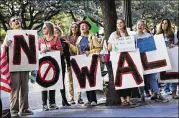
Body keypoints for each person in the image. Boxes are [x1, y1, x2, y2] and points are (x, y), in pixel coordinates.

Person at [2, 16, 34, 117]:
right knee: (15, 88)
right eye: (13, 20)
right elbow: (3, 49)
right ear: (10, 25)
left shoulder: (26, 34)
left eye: (18, 19)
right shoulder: (8, 35)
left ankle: (24, 109)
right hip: (14, 66)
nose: (16, 21)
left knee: (25, 87)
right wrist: (6, 45)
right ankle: (14, 110)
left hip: (24, 65)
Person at [64, 20, 101, 106]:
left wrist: (90, 51)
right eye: (81, 26)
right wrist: (69, 44)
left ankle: (94, 100)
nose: (82, 27)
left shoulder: (92, 37)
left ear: (88, 27)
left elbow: (98, 48)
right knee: (85, 81)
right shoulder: (79, 38)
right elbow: (76, 50)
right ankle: (88, 100)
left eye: (84, 25)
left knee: (91, 80)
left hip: (91, 62)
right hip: (82, 61)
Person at [134, 20, 168, 102]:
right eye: (139, 24)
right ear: (136, 26)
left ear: (144, 26)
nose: (140, 26)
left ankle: (158, 94)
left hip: (149, 60)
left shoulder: (148, 35)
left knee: (152, 77)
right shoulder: (133, 36)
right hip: (139, 59)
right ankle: (142, 95)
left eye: (142, 25)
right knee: (140, 78)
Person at [107, 18, 133, 106]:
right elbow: (109, 48)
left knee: (128, 78)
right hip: (117, 60)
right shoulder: (113, 34)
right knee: (119, 79)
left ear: (124, 24)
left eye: (121, 22)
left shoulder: (129, 34)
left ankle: (128, 98)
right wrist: (115, 41)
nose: (119, 24)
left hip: (128, 59)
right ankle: (122, 99)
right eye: (117, 23)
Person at [38, 21, 61, 111]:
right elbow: (37, 51)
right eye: (43, 28)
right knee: (43, 84)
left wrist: (50, 50)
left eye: (45, 27)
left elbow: (60, 51)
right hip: (43, 66)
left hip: (53, 65)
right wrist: (41, 51)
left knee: (52, 83)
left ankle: (52, 103)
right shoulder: (40, 40)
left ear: (50, 28)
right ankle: (44, 104)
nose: (43, 29)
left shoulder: (56, 39)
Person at [156, 18, 178, 99]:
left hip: (171, 56)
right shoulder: (157, 35)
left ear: (168, 25)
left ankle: (174, 92)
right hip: (161, 58)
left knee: (174, 73)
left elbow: (177, 45)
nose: (164, 24)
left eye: (166, 23)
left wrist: (173, 46)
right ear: (161, 24)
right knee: (158, 75)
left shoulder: (173, 35)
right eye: (163, 23)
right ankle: (156, 93)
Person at [63, 22, 84, 105]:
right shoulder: (67, 37)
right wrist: (58, 28)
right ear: (70, 28)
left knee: (79, 79)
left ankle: (79, 98)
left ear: (78, 28)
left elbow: (79, 49)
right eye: (72, 27)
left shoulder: (80, 38)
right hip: (69, 61)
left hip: (78, 60)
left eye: (76, 27)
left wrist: (69, 44)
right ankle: (71, 98)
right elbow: (57, 36)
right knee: (70, 80)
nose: (74, 29)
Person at [54, 26, 71, 106]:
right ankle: (52, 102)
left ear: (60, 32)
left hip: (61, 63)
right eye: (54, 31)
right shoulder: (50, 41)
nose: (56, 32)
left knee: (62, 82)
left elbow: (67, 54)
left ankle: (64, 100)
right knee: (53, 82)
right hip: (52, 64)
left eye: (58, 31)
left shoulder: (64, 42)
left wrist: (68, 65)